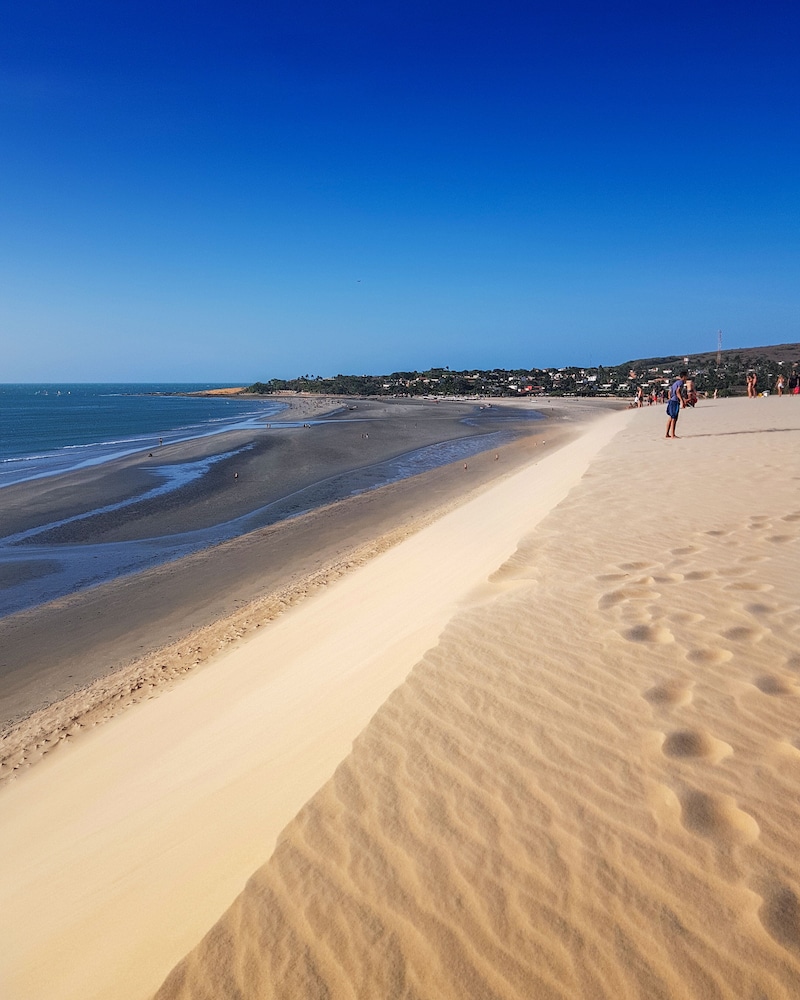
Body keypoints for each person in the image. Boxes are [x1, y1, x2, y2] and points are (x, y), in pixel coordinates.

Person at [665, 371, 687, 439]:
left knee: (671, 417)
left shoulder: (675, 383)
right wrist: (682, 400)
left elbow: (670, 391)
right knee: (674, 418)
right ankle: (673, 435)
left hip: (671, 401)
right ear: (684, 377)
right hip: (675, 401)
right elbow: (678, 392)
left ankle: (667, 434)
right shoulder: (681, 383)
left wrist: (670, 398)